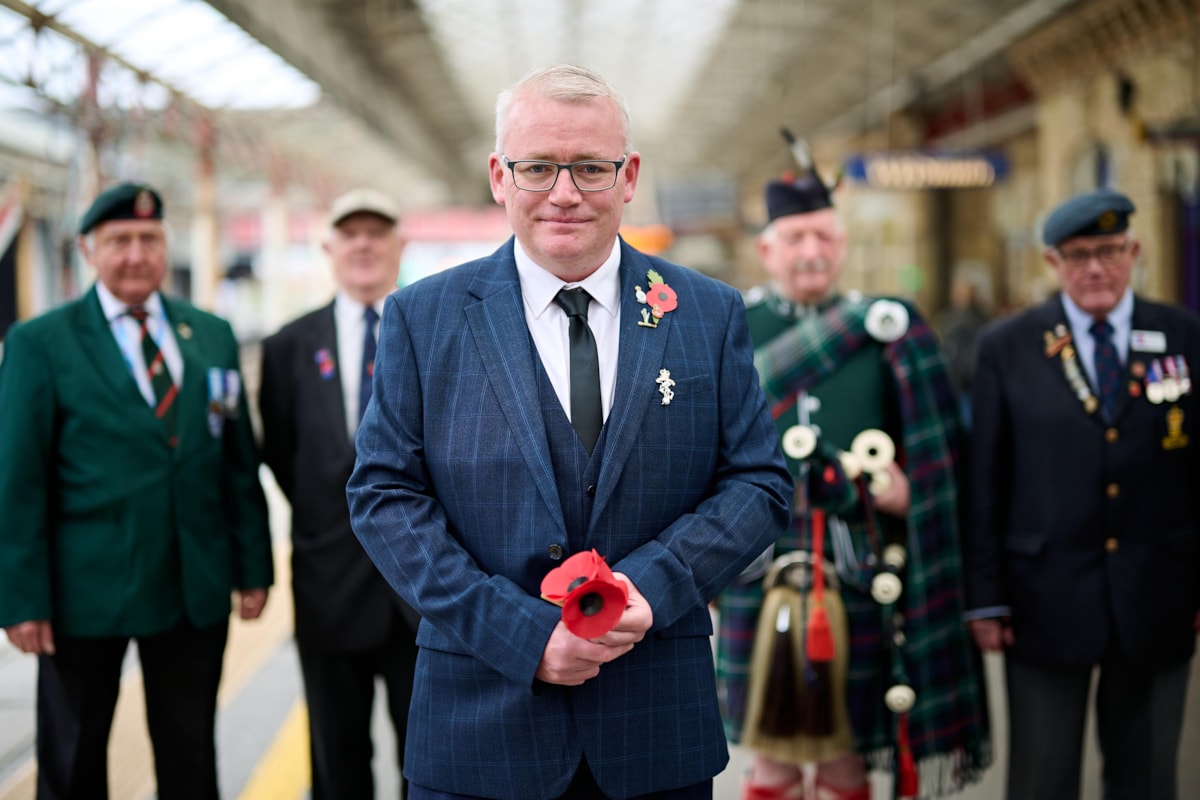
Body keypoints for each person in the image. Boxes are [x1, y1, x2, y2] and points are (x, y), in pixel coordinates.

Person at [346, 64, 792, 800]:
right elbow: (384, 496)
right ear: (498, 175)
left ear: (628, 176)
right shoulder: (422, 319)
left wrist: (652, 586)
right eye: (537, 167)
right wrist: (520, 635)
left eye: (590, 167)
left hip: (655, 733)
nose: (564, 193)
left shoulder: (707, 314)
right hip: (478, 734)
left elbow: (760, 482)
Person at [715, 146, 991, 800]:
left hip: (863, 568)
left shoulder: (885, 330)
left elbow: (939, 455)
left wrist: (908, 493)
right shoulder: (731, 326)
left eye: (823, 235)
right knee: (772, 762)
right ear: (767, 249)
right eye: (795, 236)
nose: (811, 249)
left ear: (841, 246)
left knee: (846, 760)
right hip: (758, 563)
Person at [0, 182, 274, 799]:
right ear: (87, 252)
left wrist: (252, 564)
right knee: (72, 760)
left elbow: (237, 461)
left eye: (148, 239)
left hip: (191, 586)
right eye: (118, 241)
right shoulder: (41, 343)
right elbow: (18, 480)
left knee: (190, 755)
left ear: (164, 245)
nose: (135, 254)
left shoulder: (210, 335)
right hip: (82, 598)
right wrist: (21, 598)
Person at [963, 187, 1200, 800]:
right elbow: (984, 479)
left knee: (1147, 777)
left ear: (1136, 250)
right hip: (1042, 597)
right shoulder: (1007, 347)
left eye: (1110, 251)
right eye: (1077, 255)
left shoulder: (1181, 335)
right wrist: (985, 598)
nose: (1095, 268)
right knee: (1043, 777)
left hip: (1159, 592)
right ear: (1051, 263)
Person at [259, 187, 419, 798]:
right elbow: (281, 455)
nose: (362, 244)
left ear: (400, 246)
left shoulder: (440, 334)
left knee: (427, 761)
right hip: (328, 589)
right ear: (327, 247)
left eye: (376, 232)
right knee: (335, 760)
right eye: (348, 233)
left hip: (425, 591)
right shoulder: (288, 348)